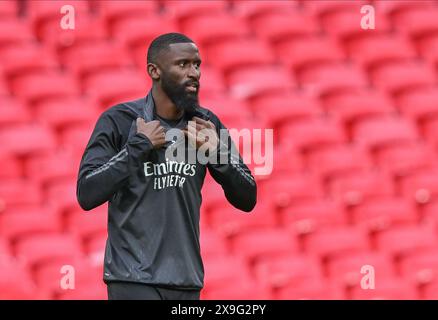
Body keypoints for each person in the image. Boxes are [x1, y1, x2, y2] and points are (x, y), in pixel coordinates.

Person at [76, 33, 257, 300]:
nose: (194, 72)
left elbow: (247, 197)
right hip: (132, 279)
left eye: (197, 65)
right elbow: (87, 193)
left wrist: (217, 153)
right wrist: (138, 147)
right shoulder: (119, 120)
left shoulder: (206, 124)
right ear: (154, 70)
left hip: (187, 281)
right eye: (183, 64)